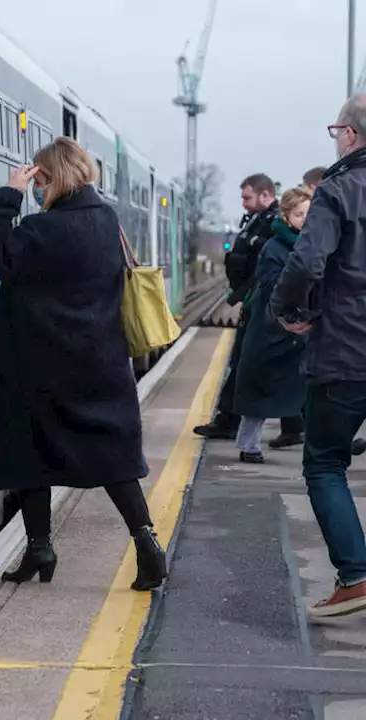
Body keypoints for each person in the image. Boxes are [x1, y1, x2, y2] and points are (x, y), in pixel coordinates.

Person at [0, 137, 167, 592]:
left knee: (28, 451)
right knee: (113, 459)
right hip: (98, 362)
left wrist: (8, 195)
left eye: (39, 179)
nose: (36, 188)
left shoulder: (41, 231)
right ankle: (148, 544)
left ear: (54, 178)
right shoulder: (107, 221)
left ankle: (40, 546)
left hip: (37, 364)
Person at [272, 93, 366, 617]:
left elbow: (307, 263)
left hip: (347, 352)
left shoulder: (338, 188)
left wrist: (284, 310)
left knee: (326, 463)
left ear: (349, 135)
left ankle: (355, 576)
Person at [196, 173, 306, 448]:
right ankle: (273, 427)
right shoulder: (258, 223)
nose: (243, 203)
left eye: (247, 197)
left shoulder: (272, 230)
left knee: (255, 369)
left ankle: (234, 423)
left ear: (265, 194)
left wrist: (245, 297)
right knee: (268, 371)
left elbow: (265, 273)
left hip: (269, 310)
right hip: (262, 306)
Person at [232, 186, 314, 463]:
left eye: (308, 213)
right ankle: (248, 444)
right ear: (287, 215)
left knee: (312, 390)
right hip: (273, 327)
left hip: (300, 328)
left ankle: (334, 443)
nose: (305, 218)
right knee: (261, 390)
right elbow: (271, 286)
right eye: (299, 214)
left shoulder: (315, 243)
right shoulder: (275, 247)